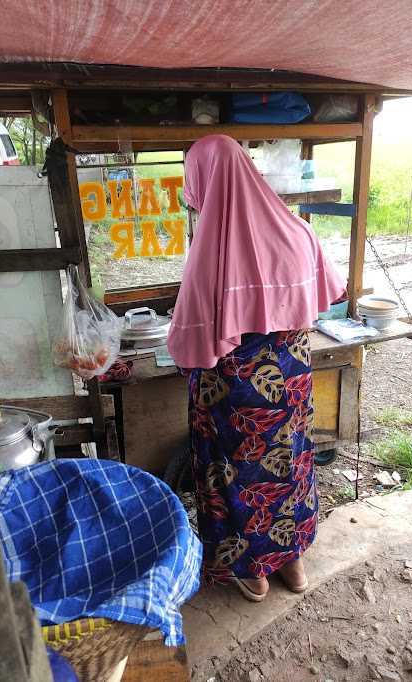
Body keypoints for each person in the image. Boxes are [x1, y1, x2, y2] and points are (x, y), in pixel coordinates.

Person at [168, 135, 345, 602]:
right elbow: (328, 293)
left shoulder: (212, 253)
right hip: (291, 379)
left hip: (233, 391)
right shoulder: (298, 231)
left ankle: (253, 571)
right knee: (290, 463)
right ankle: (293, 560)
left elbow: (189, 341)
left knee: (234, 472)